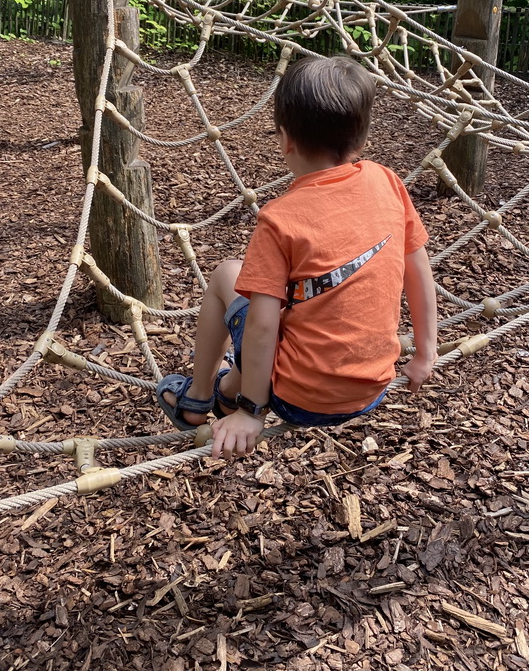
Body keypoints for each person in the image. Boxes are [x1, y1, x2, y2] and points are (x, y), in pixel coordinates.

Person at [158, 54, 437, 459]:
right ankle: (224, 390)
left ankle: (198, 400)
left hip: (300, 401)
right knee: (303, 300)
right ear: (361, 140)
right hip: (373, 387)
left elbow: (261, 326)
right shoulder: (387, 181)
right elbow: (418, 267)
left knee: (225, 276)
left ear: (285, 139)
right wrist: (426, 351)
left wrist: (252, 412)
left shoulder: (280, 220)